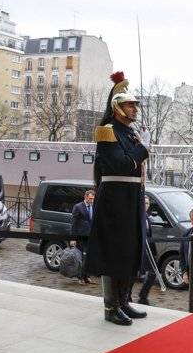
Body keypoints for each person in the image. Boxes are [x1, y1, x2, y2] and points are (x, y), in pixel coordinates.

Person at [86, 71, 151, 326]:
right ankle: (111, 306)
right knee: (113, 253)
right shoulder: (107, 131)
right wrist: (142, 151)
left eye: (135, 105)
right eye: (130, 104)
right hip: (114, 200)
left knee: (128, 252)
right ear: (117, 107)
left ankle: (124, 300)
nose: (134, 108)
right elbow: (121, 164)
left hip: (131, 197)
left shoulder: (130, 133)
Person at [136, 194, 164, 305]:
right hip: (139, 250)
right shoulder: (137, 217)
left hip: (147, 250)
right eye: (144, 203)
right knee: (134, 274)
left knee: (153, 272)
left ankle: (143, 296)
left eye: (147, 203)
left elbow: (149, 235)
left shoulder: (146, 216)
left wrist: (154, 252)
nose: (146, 205)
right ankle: (129, 296)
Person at [70, 189, 96, 284]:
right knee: (80, 257)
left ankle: (87, 276)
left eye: (93, 199)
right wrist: (73, 238)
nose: (92, 201)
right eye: (90, 199)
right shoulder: (78, 207)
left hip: (90, 237)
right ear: (85, 197)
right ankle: (80, 277)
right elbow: (73, 223)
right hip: (80, 237)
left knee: (88, 257)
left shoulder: (94, 206)